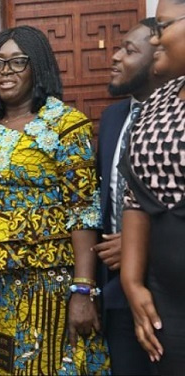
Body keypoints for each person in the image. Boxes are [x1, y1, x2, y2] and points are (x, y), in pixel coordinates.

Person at [0, 25, 111, 374]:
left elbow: (83, 211)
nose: (6, 72)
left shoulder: (66, 125)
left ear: (38, 66)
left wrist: (83, 289)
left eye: (17, 62)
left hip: (54, 284)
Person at [92, 17, 167, 375]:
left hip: (169, 289)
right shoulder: (111, 118)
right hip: (117, 292)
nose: (115, 56)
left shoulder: (176, 121)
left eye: (129, 50)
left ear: (160, 60)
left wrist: (140, 245)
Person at [120, 0, 185, 372]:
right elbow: (136, 195)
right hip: (165, 301)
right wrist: (132, 281)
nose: (155, 39)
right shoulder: (158, 103)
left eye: (163, 26)